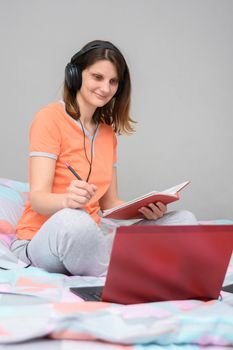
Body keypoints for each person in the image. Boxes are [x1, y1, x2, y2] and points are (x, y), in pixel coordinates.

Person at [10, 40, 198, 276]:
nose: (105, 88)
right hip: (42, 240)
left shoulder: (107, 132)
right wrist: (68, 201)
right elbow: (38, 199)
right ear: (76, 75)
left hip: (89, 244)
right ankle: (125, 276)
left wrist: (146, 209)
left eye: (113, 81)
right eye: (97, 77)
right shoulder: (49, 118)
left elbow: (110, 205)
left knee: (183, 220)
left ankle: (114, 271)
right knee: (74, 221)